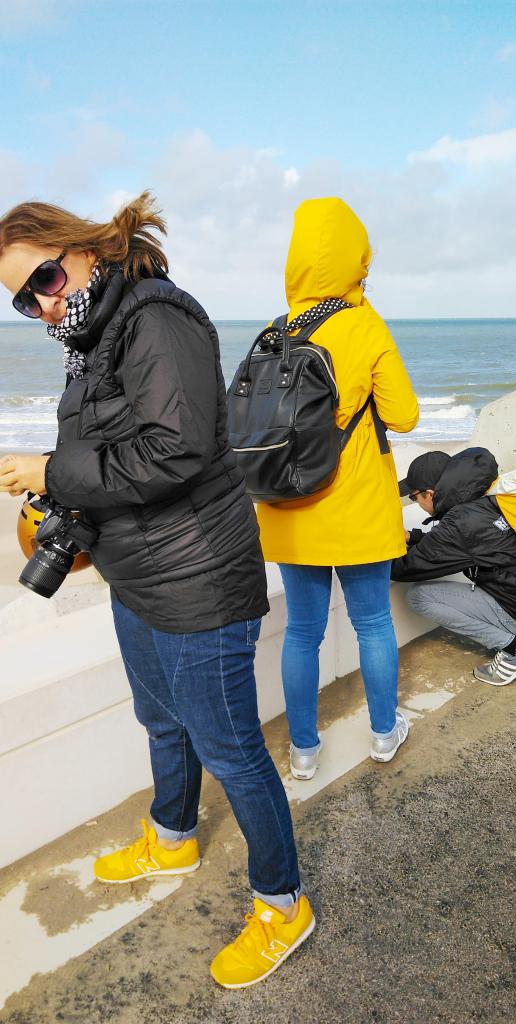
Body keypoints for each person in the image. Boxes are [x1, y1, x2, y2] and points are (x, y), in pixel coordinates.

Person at [0, 193, 314, 988]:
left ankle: (283, 904)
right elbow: (112, 447)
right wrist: (62, 507)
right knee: (161, 719)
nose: (41, 302)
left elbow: (173, 452)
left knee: (233, 751)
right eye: (21, 297)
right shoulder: (93, 335)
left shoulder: (155, 318)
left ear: (85, 249)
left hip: (199, 578)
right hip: (138, 573)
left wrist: (50, 471)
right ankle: (171, 835)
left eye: (44, 276)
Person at [256, 198, 419, 780]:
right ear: (358, 258)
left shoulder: (275, 331)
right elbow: (403, 416)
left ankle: (303, 750)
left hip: (288, 508)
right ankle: (382, 732)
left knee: (302, 629)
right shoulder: (364, 324)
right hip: (354, 508)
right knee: (372, 622)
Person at [392, 447, 516, 684]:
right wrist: (414, 537)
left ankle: (514, 649)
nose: (415, 502)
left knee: (419, 597)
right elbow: (456, 540)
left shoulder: (461, 522)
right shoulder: (489, 494)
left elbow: (404, 568)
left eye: (414, 497)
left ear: (429, 493)